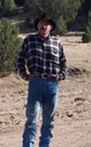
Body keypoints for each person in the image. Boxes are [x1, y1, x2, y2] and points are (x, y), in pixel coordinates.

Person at [17, 13, 67, 147]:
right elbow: (20, 59)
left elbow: (63, 62)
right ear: (37, 26)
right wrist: (25, 75)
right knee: (32, 119)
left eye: (46, 24)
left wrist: (61, 76)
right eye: (41, 23)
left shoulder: (57, 42)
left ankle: (45, 145)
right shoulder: (29, 40)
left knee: (49, 120)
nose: (43, 26)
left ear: (51, 27)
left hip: (52, 84)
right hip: (36, 82)